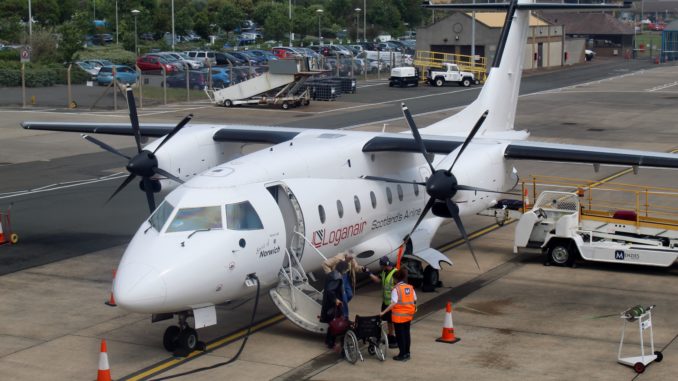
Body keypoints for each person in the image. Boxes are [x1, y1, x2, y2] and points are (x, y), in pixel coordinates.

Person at [380, 268, 416, 361]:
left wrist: (383, 312)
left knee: (400, 336)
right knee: (407, 334)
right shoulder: (410, 287)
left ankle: (402, 354)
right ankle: (407, 353)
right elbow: (414, 299)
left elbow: (393, 303)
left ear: (395, 279)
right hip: (408, 316)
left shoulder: (396, 290)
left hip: (399, 317)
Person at [322, 251, 368, 317]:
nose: (351, 260)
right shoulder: (338, 259)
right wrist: (331, 275)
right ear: (346, 256)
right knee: (344, 298)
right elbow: (325, 264)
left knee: (350, 295)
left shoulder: (351, 259)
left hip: (345, 278)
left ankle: (337, 306)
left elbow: (356, 267)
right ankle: (345, 316)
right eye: (350, 258)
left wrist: (362, 269)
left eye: (352, 258)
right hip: (339, 277)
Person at [366, 256, 398, 348]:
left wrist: (394, 288)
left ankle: (394, 338)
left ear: (384, 265)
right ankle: (391, 336)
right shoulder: (384, 272)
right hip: (385, 301)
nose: (381, 268)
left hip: (393, 302)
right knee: (388, 320)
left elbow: (400, 285)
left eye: (381, 266)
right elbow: (377, 280)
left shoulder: (395, 273)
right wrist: (368, 273)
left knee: (393, 321)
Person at [319, 261, 349, 349]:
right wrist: (336, 300)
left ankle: (329, 341)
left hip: (329, 303)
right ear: (343, 269)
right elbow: (331, 290)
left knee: (332, 323)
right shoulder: (336, 277)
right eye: (346, 269)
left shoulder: (332, 274)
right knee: (335, 323)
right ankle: (330, 342)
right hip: (333, 304)